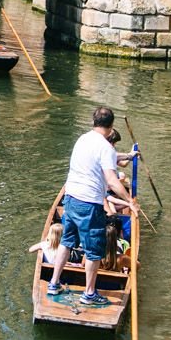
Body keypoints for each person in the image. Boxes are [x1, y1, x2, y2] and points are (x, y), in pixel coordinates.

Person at [46, 106, 137, 306]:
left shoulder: (83, 139)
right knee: (94, 250)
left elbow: (110, 156)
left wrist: (128, 156)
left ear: (93, 122)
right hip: (89, 204)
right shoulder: (105, 147)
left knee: (67, 242)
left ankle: (53, 283)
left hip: (71, 199)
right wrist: (130, 202)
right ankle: (89, 293)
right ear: (111, 127)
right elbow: (113, 182)